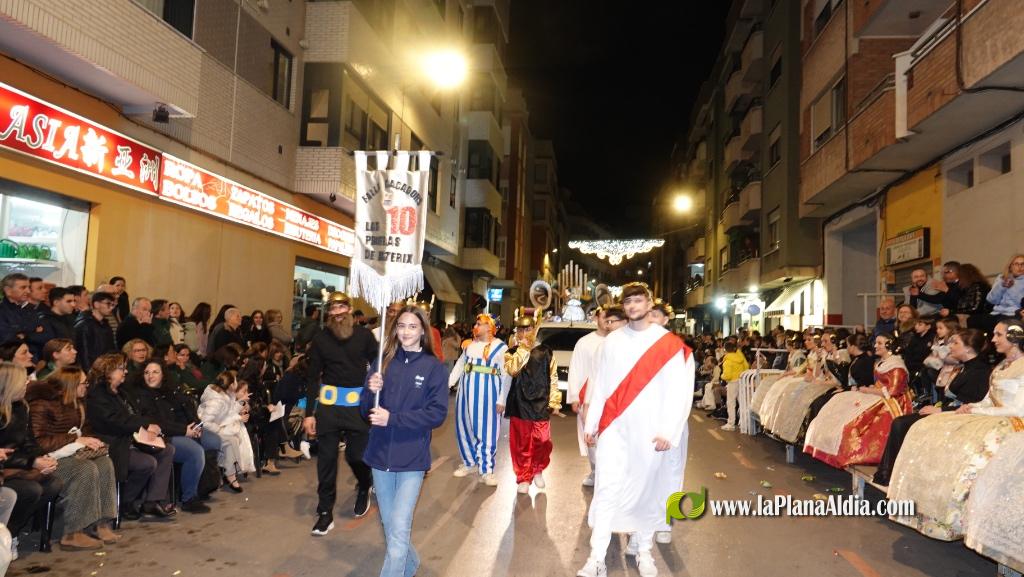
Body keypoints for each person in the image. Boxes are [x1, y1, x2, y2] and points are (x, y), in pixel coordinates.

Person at [578, 283, 693, 577]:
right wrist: (592, 425)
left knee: (647, 493)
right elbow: (601, 385)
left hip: (650, 431)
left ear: (648, 303)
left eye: (638, 300)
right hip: (615, 429)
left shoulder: (668, 344)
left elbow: (680, 392)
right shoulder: (612, 342)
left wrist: (669, 430)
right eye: (627, 301)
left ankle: (643, 552)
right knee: (606, 489)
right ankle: (597, 558)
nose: (632, 306)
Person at [888, 319, 1024, 541]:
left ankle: (958, 516)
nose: (993, 339)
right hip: (991, 415)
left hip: (1012, 422)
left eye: (999, 335)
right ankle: (928, 506)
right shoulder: (1001, 366)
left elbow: (1019, 409)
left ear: (1015, 337)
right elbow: (990, 399)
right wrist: (974, 407)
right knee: (925, 427)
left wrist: (979, 413)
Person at [360, 305, 448, 577]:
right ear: (394, 330)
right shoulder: (381, 362)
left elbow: (437, 414)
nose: (406, 331)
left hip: (411, 458)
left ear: (423, 330)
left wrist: (394, 419)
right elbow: (366, 412)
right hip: (380, 455)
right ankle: (409, 564)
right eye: (401, 326)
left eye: (412, 326)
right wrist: (368, 391)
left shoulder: (434, 367)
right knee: (391, 525)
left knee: (399, 526)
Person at [872, 328, 991, 486]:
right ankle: (890, 472)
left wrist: (940, 410)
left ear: (968, 348)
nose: (950, 346)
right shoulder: (965, 367)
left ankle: (891, 474)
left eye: (956, 343)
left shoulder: (979, 371)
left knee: (902, 423)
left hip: (962, 416)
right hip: (950, 410)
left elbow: (972, 404)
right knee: (901, 422)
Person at [302, 292, 378, 536]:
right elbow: (313, 376)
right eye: (333, 309)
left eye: (341, 307)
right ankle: (325, 513)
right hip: (329, 407)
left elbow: (378, 364)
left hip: (357, 406)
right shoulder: (321, 339)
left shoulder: (364, 336)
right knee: (326, 462)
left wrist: (377, 383)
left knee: (356, 456)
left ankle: (364, 484)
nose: (337, 312)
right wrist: (309, 413)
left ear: (349, 309)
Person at [26, 367, 121, 549]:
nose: (87, 386)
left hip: (70, 453)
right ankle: (73, 532)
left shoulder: (77, 404)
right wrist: (75, 439)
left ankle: (100, 522)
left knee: (104, 463)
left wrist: (90, 441)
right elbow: (38, 443)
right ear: (71, 385)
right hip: (46, 460)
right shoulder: (42, 404)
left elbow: (84, 431)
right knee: (84, 469)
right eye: (83, 383)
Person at [85, 352, 177, 521]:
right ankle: (125, 502)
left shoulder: (121, 392)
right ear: (108, 372)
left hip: (131, 438)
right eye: (121, 369)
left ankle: (152, 501)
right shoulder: (97, 395)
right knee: (147, 463)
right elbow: (113, 422)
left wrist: (149, 426)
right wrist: (143, 426)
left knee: (167, 449)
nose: (125, 372)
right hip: (113, 443)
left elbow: (136, 415)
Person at [803, 333, 913, 468]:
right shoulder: (882, 362)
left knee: (856, 423)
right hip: (877, 395)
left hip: (892, 402)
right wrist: (871, 388)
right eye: (876, 343)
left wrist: (869, 390)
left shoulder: (896, 365)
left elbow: (892, 391)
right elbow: (881, 384)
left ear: (889, 345)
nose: (875, 346)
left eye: (879, 343)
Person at [131, 360, 220, 512]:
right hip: (165, 435)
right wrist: (184, 431)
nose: (150, 376)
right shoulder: (142, 395)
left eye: (155, 372)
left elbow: (187, 408)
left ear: (163, 374)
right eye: (147, 372)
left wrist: (196, 425)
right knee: (194, 452)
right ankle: (189, 498)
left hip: (184, 430)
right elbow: (157, 423)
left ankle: (204, 485)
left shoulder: (170, 389)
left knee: (214, 441)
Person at [0, 362, 64, 553]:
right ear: (11, 384)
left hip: (19, 465)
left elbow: (29, 442)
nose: (27, 383)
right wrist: (32, 462)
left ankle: (12, 532)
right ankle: (8, 536)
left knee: (53, 484)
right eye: (24, 380)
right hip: (7, 469)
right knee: (30, 489)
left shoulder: (21, 407)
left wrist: (42, 458)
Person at [499, 316, 560, 494]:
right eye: (520, 329)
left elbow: (553, 377)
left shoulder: (546, 351)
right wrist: (523, 348)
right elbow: (513, 370)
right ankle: (524, 477)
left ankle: (538, 468)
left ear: (534, 329)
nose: (524, 333)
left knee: (543, 440)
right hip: (519, 403)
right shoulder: (511, 352)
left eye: (527, 329)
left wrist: (555, 401)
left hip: (540, 403)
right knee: (521, 444)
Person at [447, 313, 509, 487]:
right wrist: (448, 384)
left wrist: (502, 399)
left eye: (480, 323)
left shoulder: (500, 347)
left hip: (488, 395)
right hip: (465, 394)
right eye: (476, 323)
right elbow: (460, 365)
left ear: (489, 327)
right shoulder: (469, 345)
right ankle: (469, 462)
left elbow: (505, 375)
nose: (476, 326)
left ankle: (487, 470)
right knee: (464, 427)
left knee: (487, 431)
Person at [567, 306, 626, 487]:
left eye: (611, 320)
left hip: (617, 400)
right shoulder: (585, 342)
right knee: (591, 437)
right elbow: (577, 369)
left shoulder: (623, 343)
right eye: (605, 319)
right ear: (596, 319)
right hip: (590, 397)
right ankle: (595, 471)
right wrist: (575, 396)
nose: (607, 324)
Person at [197, 371, 254, 492]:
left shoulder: (225, 395)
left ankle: (229, 474)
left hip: (218, 425)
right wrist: (219, 429)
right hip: (208, 430)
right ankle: (230, 476)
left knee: (234, 438)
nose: (236, 382)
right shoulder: (216, 400)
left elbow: (229, 412)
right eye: (235, 381)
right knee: (231, 440)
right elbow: (205, 422)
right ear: (230, 384)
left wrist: (240, 403)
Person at [0, 273, 46, 359]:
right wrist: (32, 332)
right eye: (23, 287)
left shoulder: (30, 309)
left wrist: (24, 335)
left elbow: (44, 336)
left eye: (28, 287)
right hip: (10, 362)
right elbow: (7, 339)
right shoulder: (2, 312)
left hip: (34, 360)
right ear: (8, 290)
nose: (28, 291)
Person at [73, 292, 117, 371]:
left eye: (113, 305)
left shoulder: (105, 324)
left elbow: (110, 349)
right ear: (96, 304)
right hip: (91, 371)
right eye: (108, 304)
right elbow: (83, 354)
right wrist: (89, 374)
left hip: (104, 368)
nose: (111, 308)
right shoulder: (84, 325)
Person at [719, 341, 749, 432]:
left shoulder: (727, 360)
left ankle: (731, 423)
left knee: (731, 403)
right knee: (743, 402)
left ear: (725, 350)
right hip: (742, 380)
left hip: (732, 382)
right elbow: (747, 366)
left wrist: (722, 376)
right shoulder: (740, 356)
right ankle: (745, 422)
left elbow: (727, 375)